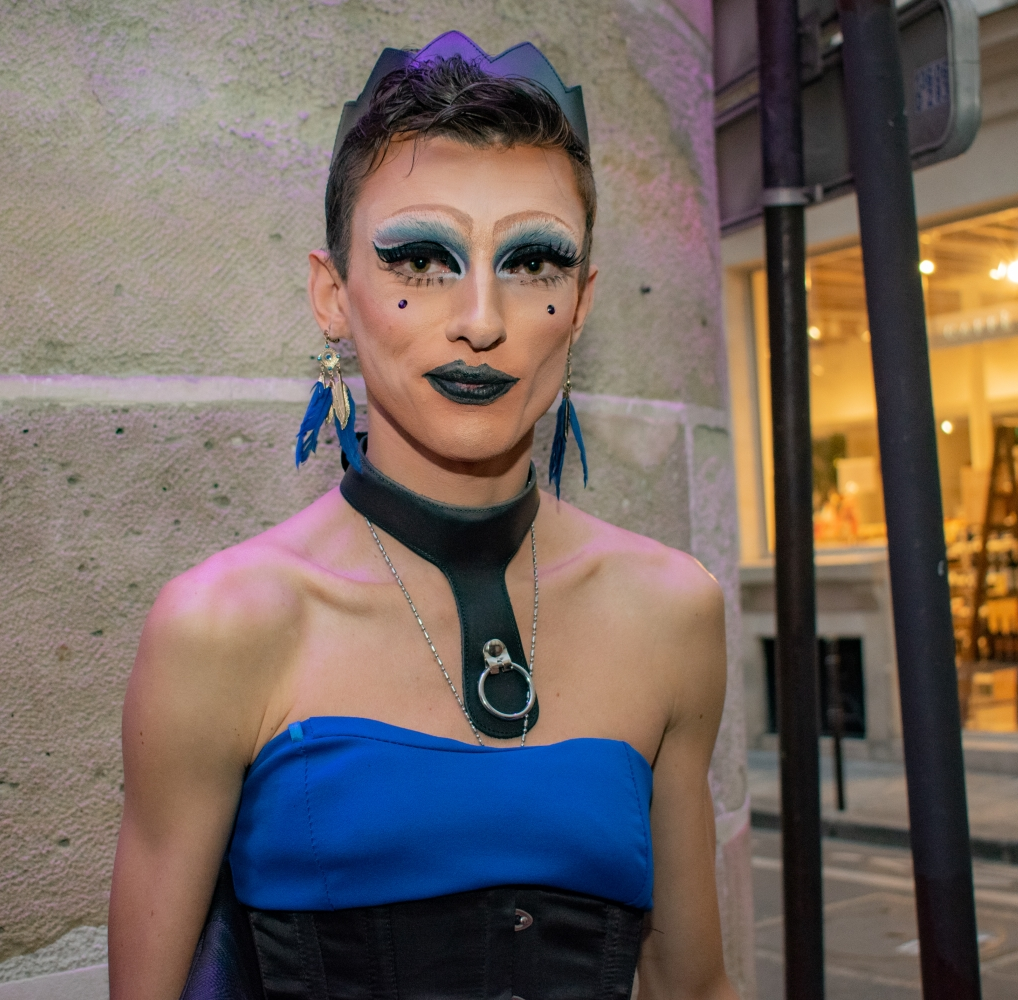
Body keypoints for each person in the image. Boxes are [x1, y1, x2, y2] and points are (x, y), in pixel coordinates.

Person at [108, 32, 736, 1000]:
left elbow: (694, 988)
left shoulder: (673, 611)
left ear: (581, 304)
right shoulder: (222, 627)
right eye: (422, 259)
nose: (481, 318)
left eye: (534, 262)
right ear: (332, 296)